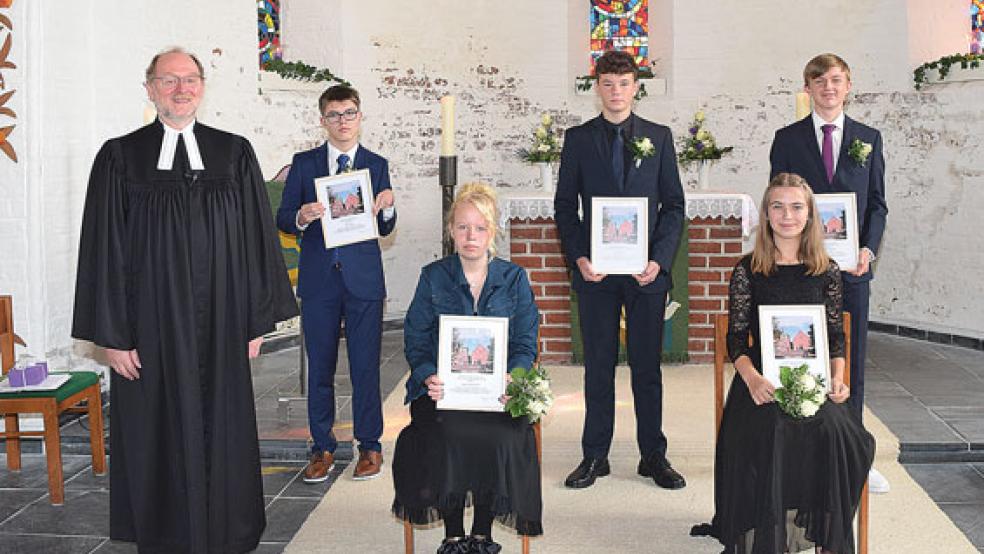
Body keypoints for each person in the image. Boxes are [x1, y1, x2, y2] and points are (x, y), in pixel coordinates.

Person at [71, 47, 298, 553]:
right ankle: (166, 532)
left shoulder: (233, 153)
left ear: (202, 86)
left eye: (190, 79)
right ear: (149, 88)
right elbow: (101, 250)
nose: (180, 88)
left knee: (223, 424)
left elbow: (257, 241)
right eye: (168, 80)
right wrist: (111, 337)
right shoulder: (119, 157)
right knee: (156, 427)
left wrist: (255, 321)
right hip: (148, 328)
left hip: (221, 323)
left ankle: (227, 530)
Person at [693, 173, 875, 554]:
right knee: (773, 428)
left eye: (796, 207)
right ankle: (769, 528)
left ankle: (826, 527)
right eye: (777, 206)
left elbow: (835, 336)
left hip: (815, 376)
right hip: (762, 377)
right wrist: (754, 380)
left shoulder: (827, 271)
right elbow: (735, 339)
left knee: (838, 432)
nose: (786, 215)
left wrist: (839, 379)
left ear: (809, 215)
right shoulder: (748, 269)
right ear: (766, 213)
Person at [554, 50, 687, 490]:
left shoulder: (660, 137)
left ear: (636, 87)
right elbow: (564, 207)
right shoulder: (577, 139)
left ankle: (654, 456)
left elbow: (674, 206)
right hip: (597, 274)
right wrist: (579, 257)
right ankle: (595, 456)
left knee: (647, 367)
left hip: (645, 272)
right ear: (598, 88)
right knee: (598, 365)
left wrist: (659, 260)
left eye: (624, 83)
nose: (616, 92)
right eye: (608, 84)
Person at [392, 183, 542, 554]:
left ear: (493, 232)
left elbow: (525, 343)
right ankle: (454, 534)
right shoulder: (433, 276)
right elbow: (416, 338)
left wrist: (513, 377)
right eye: (462, 227)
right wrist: (429, 374)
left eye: (479, 227)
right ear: (451, 230)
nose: (470, 236)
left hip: (498, 392)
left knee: (501, 438)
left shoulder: (515, 279)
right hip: (442, 392)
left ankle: (482, 533)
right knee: (441, 435)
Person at [769, 53, 889, 492]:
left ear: (848, 85)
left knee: (849, 363)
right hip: (801, 271)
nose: (829, 88)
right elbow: (777, 203)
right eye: (819, 82)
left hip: (851, 271)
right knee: (801, 353)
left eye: (836, 80)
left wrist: (867, 250)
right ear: (808, 89)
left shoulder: (868, 138)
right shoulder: (787, 138)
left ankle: (855, 455)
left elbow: (876, 203)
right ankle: (803, 451)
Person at [277, 84, 397, 483]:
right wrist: (302, 216)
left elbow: (384, 227)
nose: (342, 122)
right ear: (322, 119)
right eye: (334, 115)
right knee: (320, 369)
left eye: (349, 113)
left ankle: (369, 445)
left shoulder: (375, 164)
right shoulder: (305, 163)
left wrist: (388, 207)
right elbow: (282, 218)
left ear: (360, 117)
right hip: (319, 281)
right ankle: (321, 446)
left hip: (363, 279)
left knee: (365, 367)